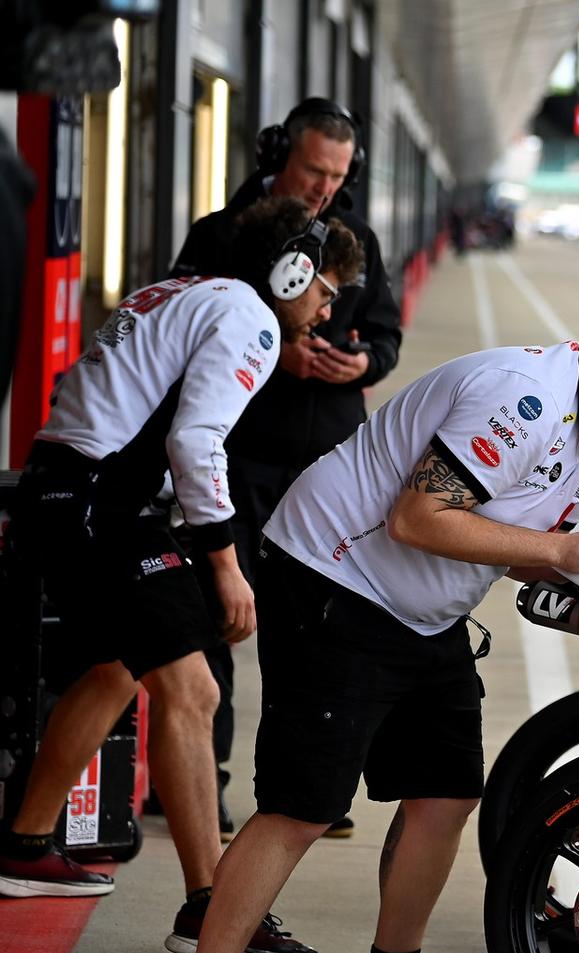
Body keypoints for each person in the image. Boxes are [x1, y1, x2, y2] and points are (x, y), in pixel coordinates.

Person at [145, 267, 579, 953]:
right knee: (303, 808)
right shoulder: (521, 400)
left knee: (447, 796)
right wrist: (565, 551)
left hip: (422, 611)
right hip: (332, 578)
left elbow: (514, 548)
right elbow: (418, 518)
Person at [0, 199, 356, 912]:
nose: (324, 313)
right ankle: (213, 909)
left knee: (113, 673)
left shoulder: (184, 291)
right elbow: (196, 442)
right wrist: (225, 566)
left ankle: (24, 846)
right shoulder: (249, 316)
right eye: (326, 291)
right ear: (293, 273)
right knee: (194, 692)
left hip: (64, 492)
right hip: (103, 503)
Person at [171, 97, 403, 848]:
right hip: (238, 459)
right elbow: (184, 343)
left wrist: (362, 362)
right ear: (279, 155)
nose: (324, 187)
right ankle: (206, 785)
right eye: (313, 169)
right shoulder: (221, 234)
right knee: (223, 620)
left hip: (328, 471)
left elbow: (390, 337)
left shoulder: (354, 239)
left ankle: (305, 792)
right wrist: (278, 361)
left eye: (338, 174)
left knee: (312, 634)